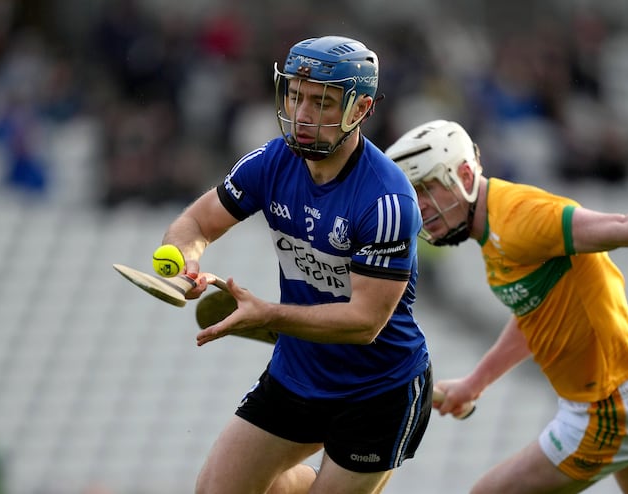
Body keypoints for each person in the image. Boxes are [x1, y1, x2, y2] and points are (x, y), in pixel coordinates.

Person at [385, 119, 628, 494]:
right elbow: (534, 313)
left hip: (612, 401)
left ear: (465, 177)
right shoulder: (494, 228)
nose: (418, 207)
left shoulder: (521, 218)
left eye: (426, 188)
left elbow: (622, 226)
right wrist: (476, 382)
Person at [161, 36, 432, 494]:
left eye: (322, 102)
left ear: (361, 109)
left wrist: (268, 315)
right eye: (295, 95)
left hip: (378, 389)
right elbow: (195, 222)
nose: (302, 114)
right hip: (299, 370)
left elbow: (364, 322)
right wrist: (186, 261)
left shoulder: (387, 201)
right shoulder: (271, 162)